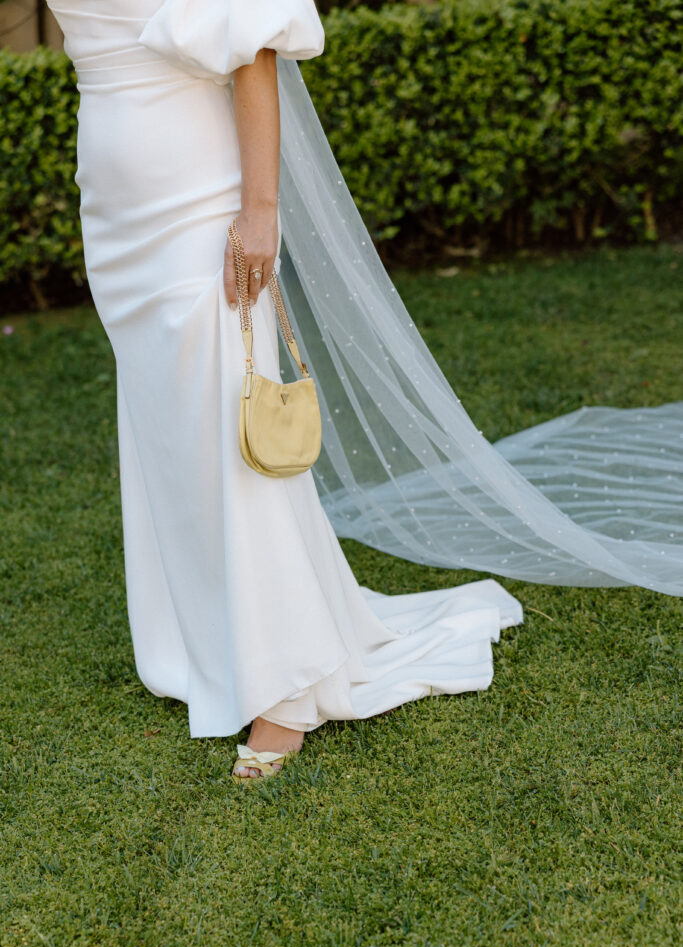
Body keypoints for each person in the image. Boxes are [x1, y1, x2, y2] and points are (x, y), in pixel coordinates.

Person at [44, 0, 524, 780]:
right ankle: (204, 642)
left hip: (195, 196)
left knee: (230, 424)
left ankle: (283, 692)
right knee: (171, 432)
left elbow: (253, 47)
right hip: (113, 202)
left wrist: (260, 210)